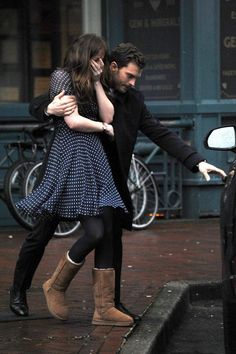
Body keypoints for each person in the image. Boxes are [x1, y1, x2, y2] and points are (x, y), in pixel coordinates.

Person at [10, 41, 226, 322]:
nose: (133, 82)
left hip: (107, 180)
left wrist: (196, 161)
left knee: (110, 237)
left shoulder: (133, 101)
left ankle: (110, 305)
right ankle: (19, 289)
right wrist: (49, 109)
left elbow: (161, 133)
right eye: (129, 76)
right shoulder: (81, 80)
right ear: (113, 67)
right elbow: (39, 103)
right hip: (68, 173)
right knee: (41, 232)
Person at [10, 34, 134, 326]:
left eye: (104, 59)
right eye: (98, 57)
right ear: (86, 54)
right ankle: (18, 291)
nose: (101, 63)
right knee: (40, 233)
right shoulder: (62, 77)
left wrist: (95, 83)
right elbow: (71, 119)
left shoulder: (95, 82)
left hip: (89, 165)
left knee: (98, 229)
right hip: (64, 164)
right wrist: (102, 127)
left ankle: (83, 296)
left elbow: (109, 114)